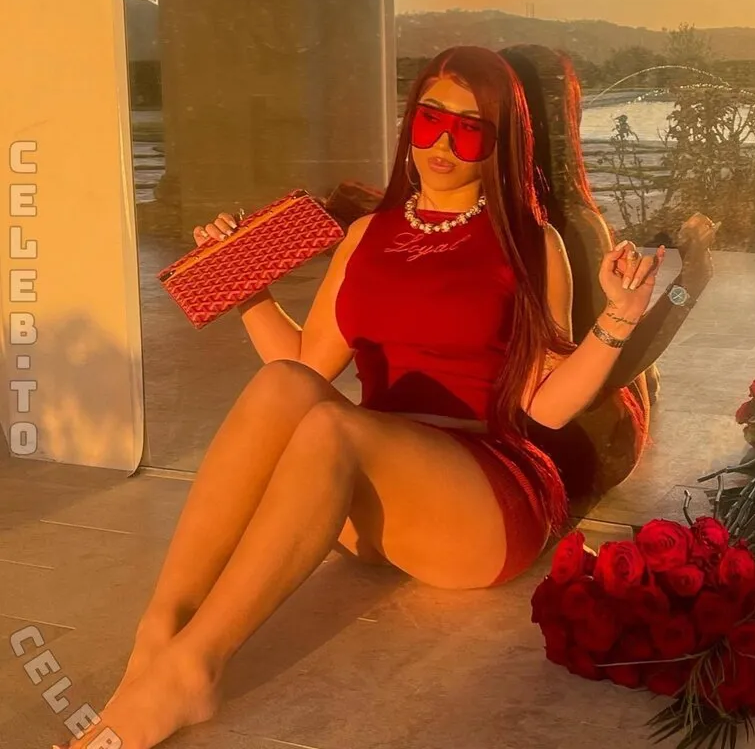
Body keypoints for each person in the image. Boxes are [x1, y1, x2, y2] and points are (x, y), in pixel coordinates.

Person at [54, 46, 666, 749]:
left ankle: (193, 668)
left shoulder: (531, 241)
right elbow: (305, 369)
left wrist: (618, 319)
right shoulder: (366, 236)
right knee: (286, 387)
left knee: (331, 429)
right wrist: (246, 288)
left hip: (479, 499)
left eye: (470, 130)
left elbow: (547, 407)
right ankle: (161, 627)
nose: (443, 143)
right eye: (430, 119)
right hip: (365, 500)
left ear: (502, 145)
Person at [498, 45, 718, 503]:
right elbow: (615, 364)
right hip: (557, 453)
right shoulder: (566, 228)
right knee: (633, 359)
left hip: (460, 442)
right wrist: (690, 282)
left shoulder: (450, 218)